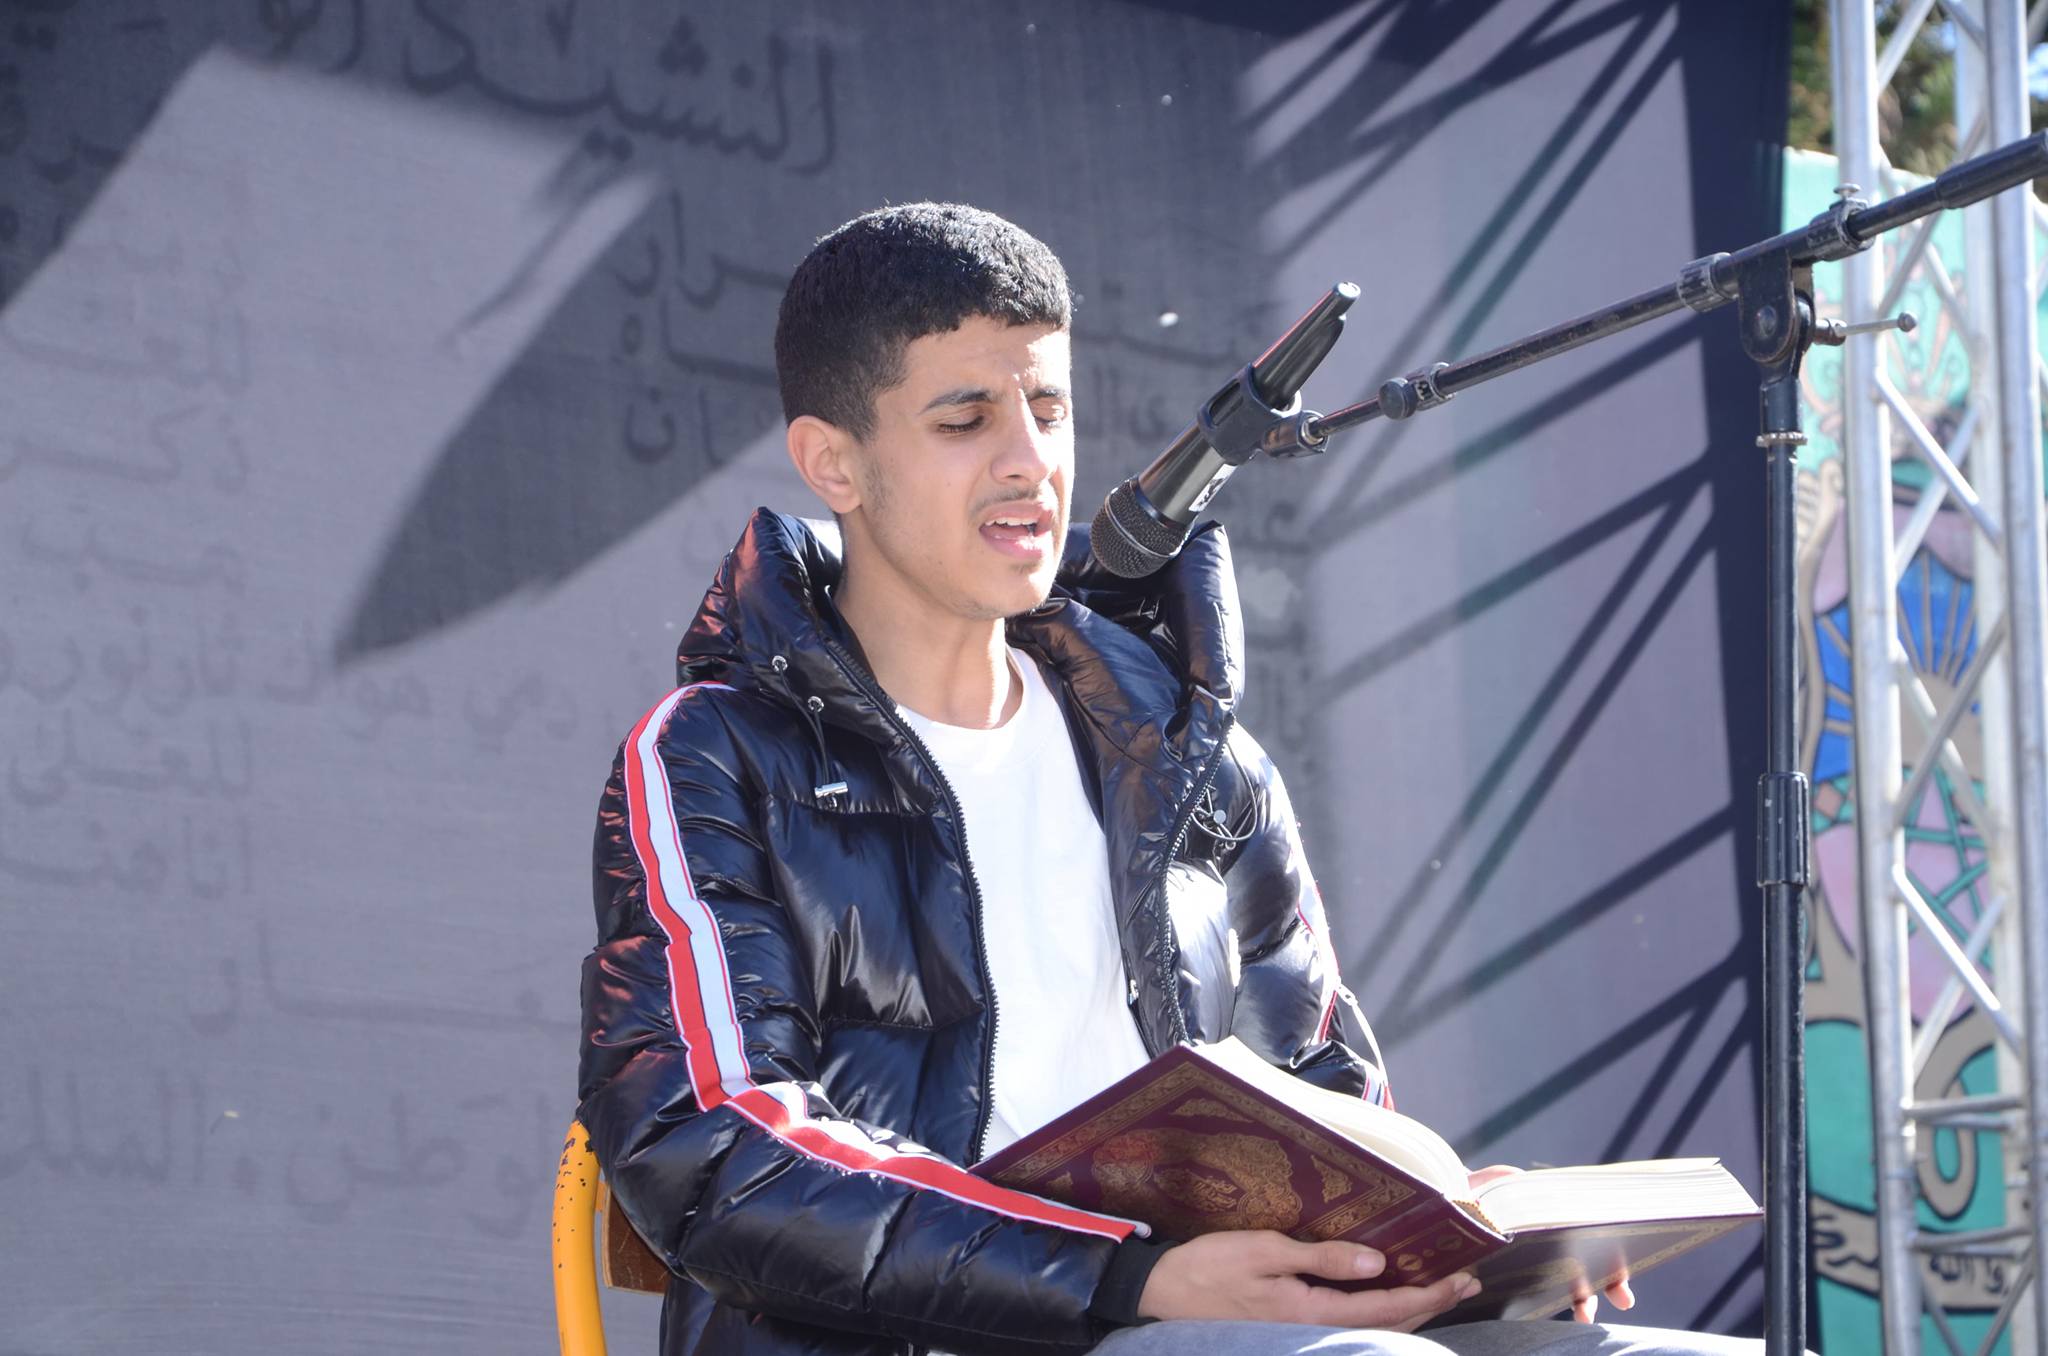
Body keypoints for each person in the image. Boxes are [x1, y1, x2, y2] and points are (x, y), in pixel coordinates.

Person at [576, 202, 1759, 1356]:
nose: (1029, 462)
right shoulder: (713, 754)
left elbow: (1320, 1094)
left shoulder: (1190, 752)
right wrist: (1128, 1280)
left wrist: (1442, 1234)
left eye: (1048, 408)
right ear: (831, 461)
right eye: (965, 420)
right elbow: (714, 1149)